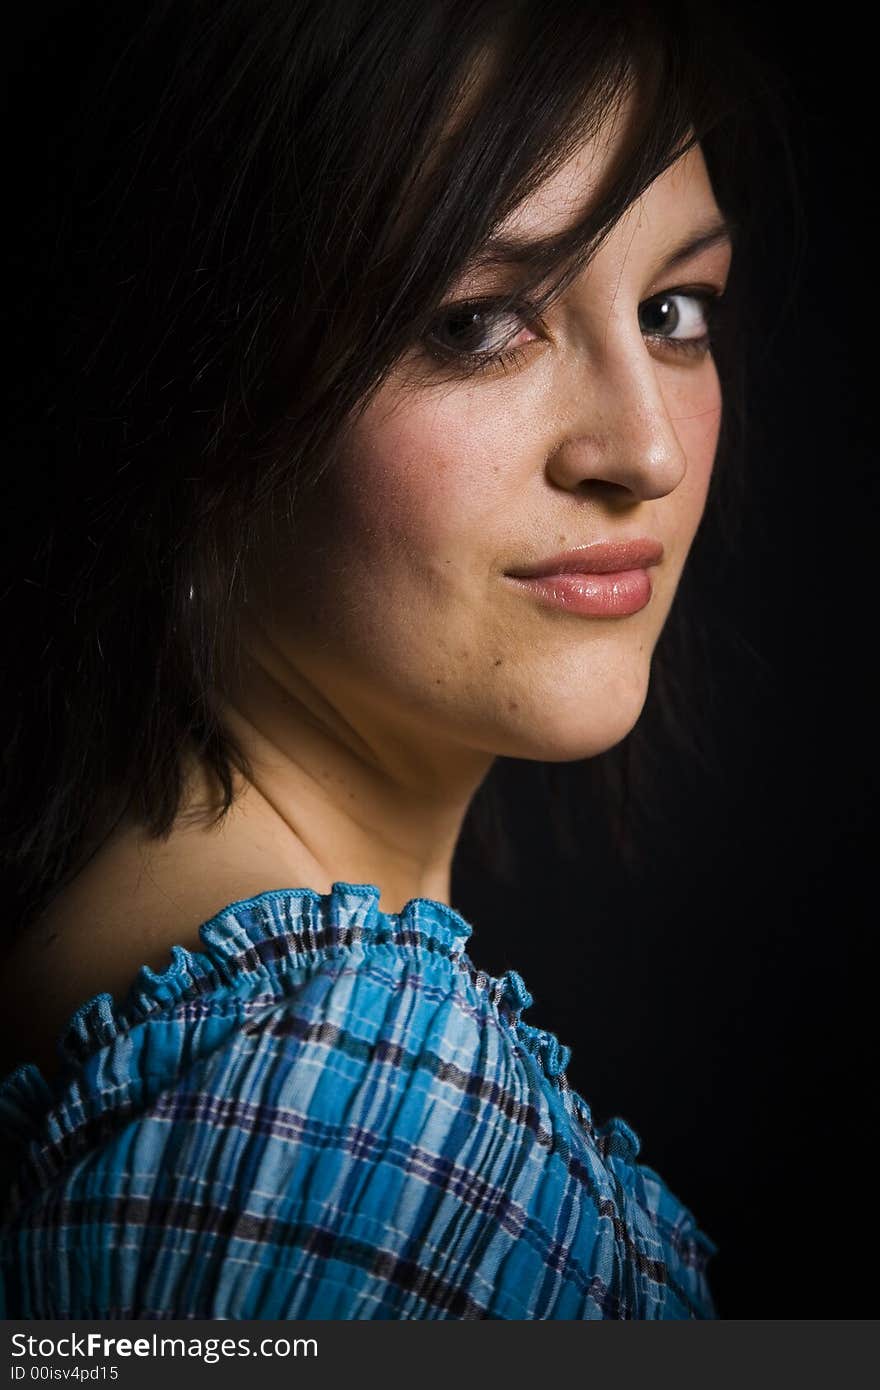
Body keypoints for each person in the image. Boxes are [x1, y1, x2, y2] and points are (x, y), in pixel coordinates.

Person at [0, 0, 789, 1318]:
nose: (644, 450)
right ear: (193, 385)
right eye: (479, 323)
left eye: (672, 307)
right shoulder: (358, 1115)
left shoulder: (152, 995)